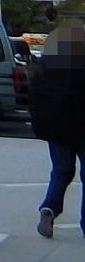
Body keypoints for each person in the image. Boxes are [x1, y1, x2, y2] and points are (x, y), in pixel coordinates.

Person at [31, 25, 85, 239]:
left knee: (61, 171)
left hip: (56, 126)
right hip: (82, 126)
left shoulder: (46, 65)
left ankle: (49, 208)